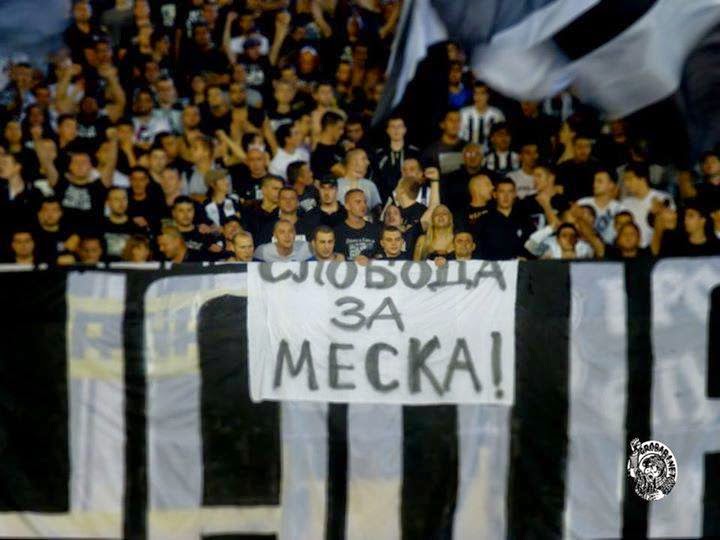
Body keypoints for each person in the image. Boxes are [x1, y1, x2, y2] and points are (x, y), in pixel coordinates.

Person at [474, 177, 533, 260]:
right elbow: (478, 249)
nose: (506, 196)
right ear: (495, 194)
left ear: (515, 194)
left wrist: (527, 258)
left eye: (510, 192)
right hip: (494, 266)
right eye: (502, 192)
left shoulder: (524, 219)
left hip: (521, 265)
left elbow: (534, 244)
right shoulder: (483, 221)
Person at [621, 162, 674, 248]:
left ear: (642, 178)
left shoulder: (663, 198)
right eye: (625, 180)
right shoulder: (625, 203)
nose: (626, 184)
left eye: (629, 179)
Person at [576, 168, 625, 244]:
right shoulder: (582, 203)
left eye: (599, 181)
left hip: (610, 248)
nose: (595, 185)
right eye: (594, 181)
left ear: (611, 185)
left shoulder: (620, 209)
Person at [333, 189, 380, 260]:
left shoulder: (375, 230)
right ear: (347, 206)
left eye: (365, 202)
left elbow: (381, 255)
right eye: (358, 202)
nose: (363, 205)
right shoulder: (337, 232)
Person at [459, 81, 505, 149]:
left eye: (482, 93)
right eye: (476, 93)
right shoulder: (463, 113)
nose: (478, 97)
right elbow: (459, 136)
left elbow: (502, 136)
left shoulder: (497, 114)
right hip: (467, 150)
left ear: (488, 96)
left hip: (490, 151)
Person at [336, 148, 382, 215]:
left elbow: (377, 211)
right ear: (353, 161)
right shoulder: (337, 185)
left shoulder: (370, 185)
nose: (368, 162)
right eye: (363, 159)